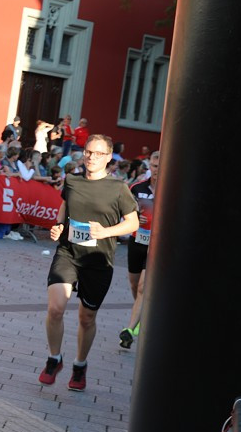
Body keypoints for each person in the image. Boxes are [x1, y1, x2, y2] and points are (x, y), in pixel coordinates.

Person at [40, 134, 140, 391]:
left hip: (98, 261)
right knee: (55, 309)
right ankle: (54, 359)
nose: (91, 157)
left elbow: (133, 223)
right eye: (88, 152)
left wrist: (104, 232)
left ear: (108, 158)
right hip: (68, 253)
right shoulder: (72, 180)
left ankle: (80, 365)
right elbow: (65, 207)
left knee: (87, 318)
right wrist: (59, 227)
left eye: (98, 153)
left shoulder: (118, 188)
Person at [121, 150, 159, 350]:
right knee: (135, 284)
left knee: (144, 286)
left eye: (160, 167)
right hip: (137, 242)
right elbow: (124, 209)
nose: (156, 171)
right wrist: (136, 216)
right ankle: (142, 315)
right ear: (149, 167)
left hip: (157, 246)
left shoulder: (171, 190)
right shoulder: (137, 188)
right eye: (154, 166)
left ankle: (129, 330)